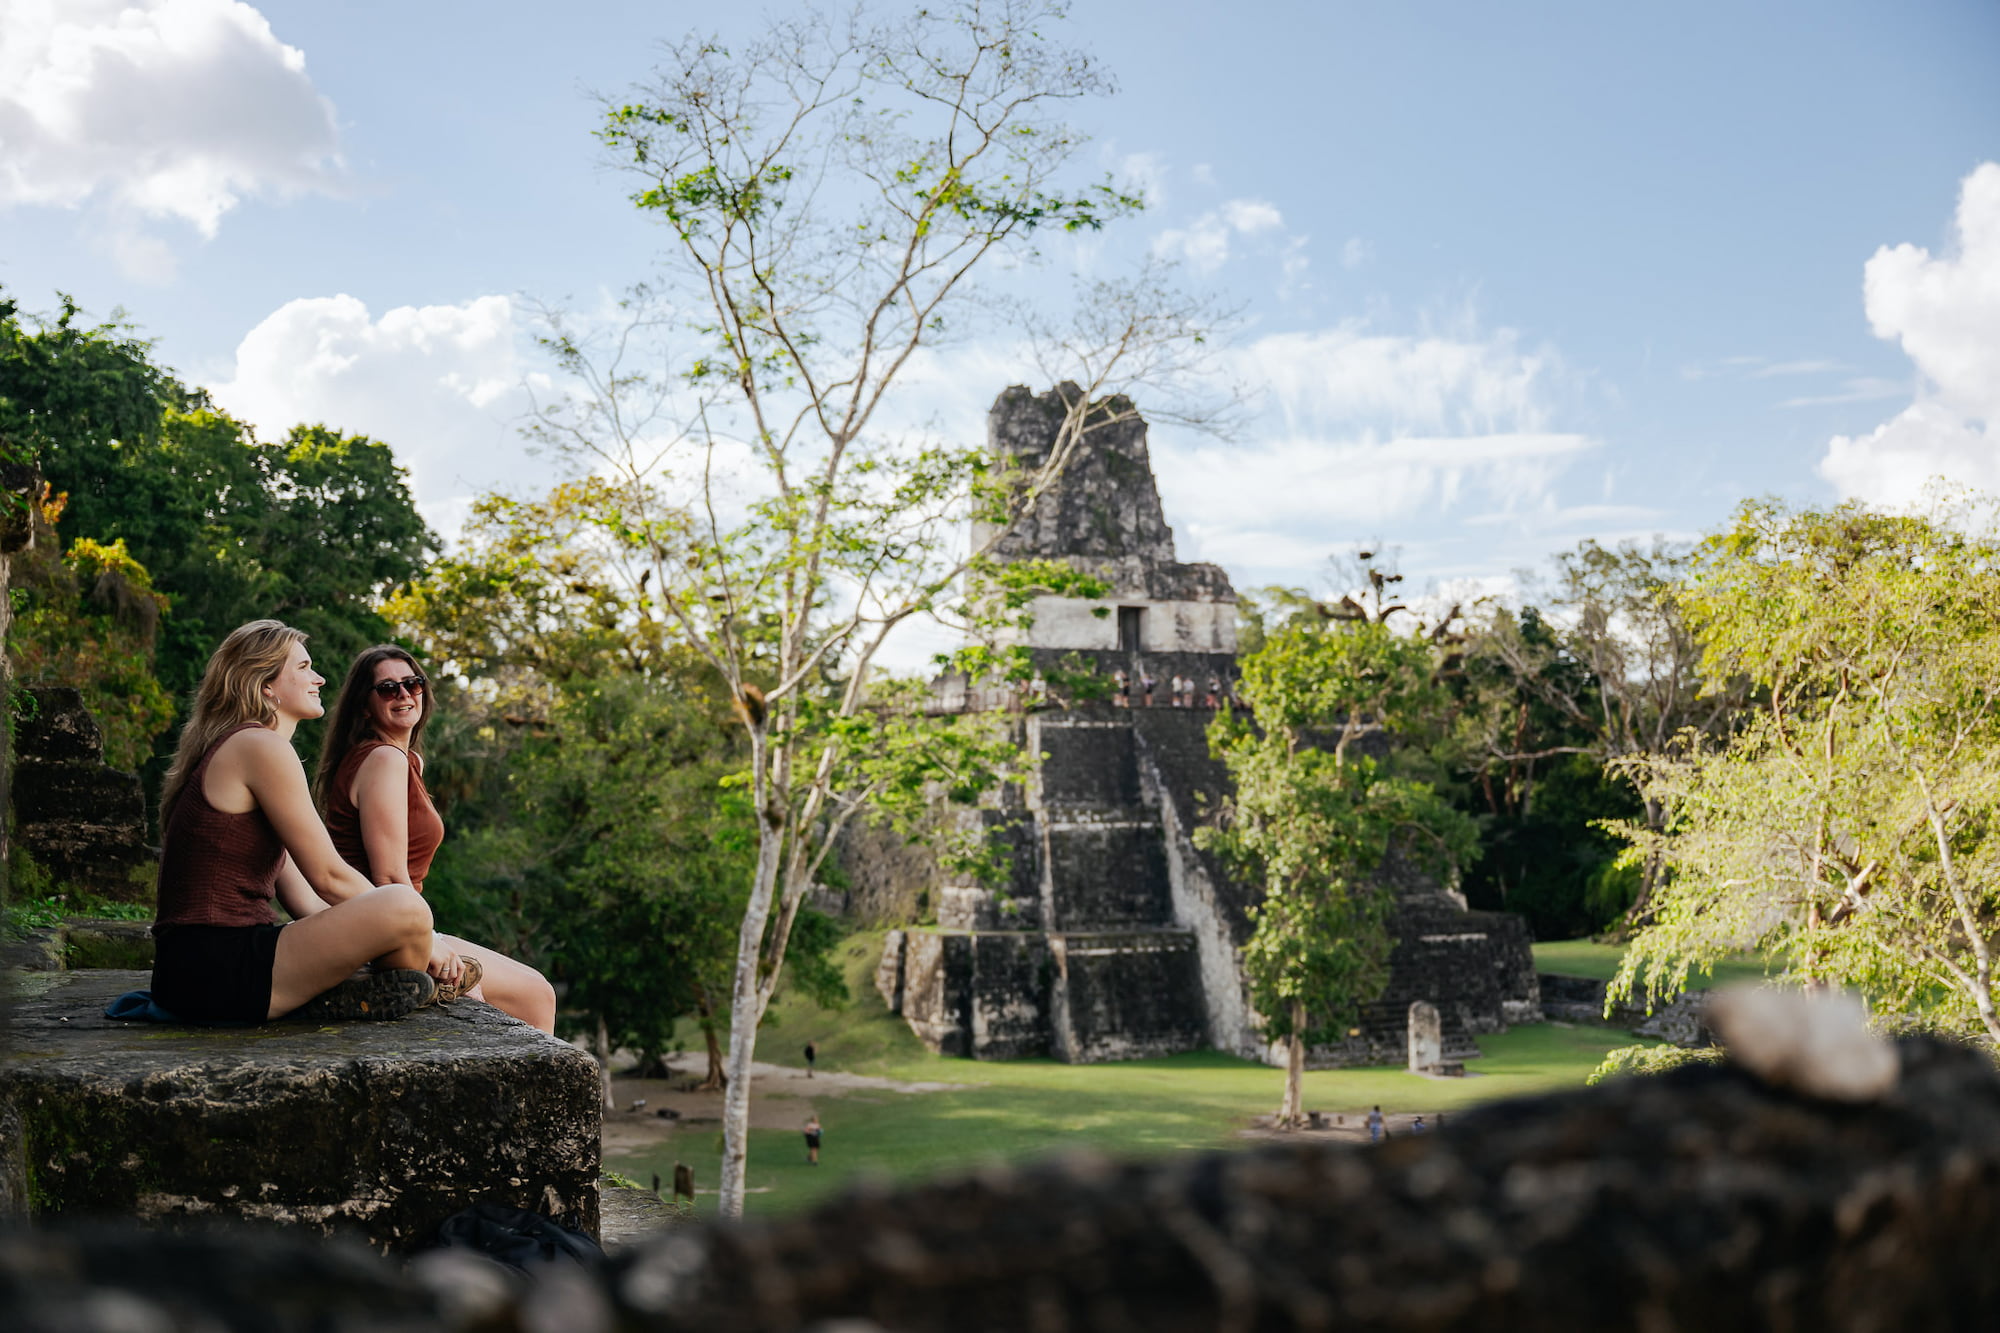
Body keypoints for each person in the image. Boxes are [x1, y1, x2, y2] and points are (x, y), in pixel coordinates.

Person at [149, 620, 448, 1025]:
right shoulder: (259, 746)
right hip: (216, 968)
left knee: (403, 915)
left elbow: (306, 899)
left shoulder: (247, 747)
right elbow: (329, 875)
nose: (320, 678)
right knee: (406, 906)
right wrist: (422, 934)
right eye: (305, 667)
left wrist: (370, 938)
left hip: (193, 973)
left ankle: (365, 990)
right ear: (266, 684)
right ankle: (396, 987)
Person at [316, 645, 558, 1034]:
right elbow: (389, 878)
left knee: (535, 994)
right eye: (388, 688)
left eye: (413, 683)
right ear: (364, 706)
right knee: (536, 997)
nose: (404, 694)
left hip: (392, 924)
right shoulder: (384, 760)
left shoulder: (404, 759)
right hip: (382, 932)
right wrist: (431, 947)